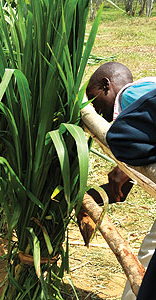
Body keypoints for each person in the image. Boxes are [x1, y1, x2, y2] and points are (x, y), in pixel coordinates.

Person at [86, 61, 156, 300]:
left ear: (106, 86)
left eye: (93, 99)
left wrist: (123, 164)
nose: (96, 110)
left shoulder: (130, 96)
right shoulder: (145, 90)